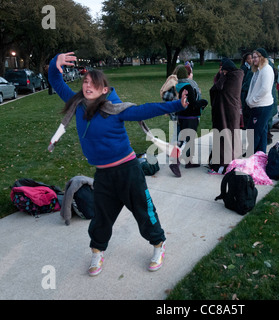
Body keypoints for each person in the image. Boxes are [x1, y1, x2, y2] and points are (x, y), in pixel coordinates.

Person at [47, 52, 189, 277]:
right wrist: (55, 63)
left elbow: (146, 109)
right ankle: (97, 251)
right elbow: (55, 81)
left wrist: (177, 105)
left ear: (104, 90)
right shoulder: (78, 105)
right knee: (101, 217)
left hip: (128, 171)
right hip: (103, 175)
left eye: (93, 83)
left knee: (144, 211)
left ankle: (159, 245)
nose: (87, 85)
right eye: (85, 82)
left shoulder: (115, 109)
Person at [169, 65, 208, 177]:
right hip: (191, 116)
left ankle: (186, 161)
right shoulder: (188, 86)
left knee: (184, 139)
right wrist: (204, 102)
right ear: (186, 74)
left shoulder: (177, 85)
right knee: (187, 141)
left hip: (182, 116)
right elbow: (193, 105)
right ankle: (177, 163)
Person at [209, 58, 244, 174]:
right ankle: (232, 160)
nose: (222, 73)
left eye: (223, 71)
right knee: (232, 136)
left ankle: (224, 163)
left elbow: (216, 88)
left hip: (226, 112)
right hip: (231, 111)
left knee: (225, 137)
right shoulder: (237, 76)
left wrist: (221, 76)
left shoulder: (230, 78)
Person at [245, 48, 275, 154]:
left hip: (262, 106)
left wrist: (253, 100)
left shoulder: (267, 69)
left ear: (262, 57)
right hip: (256, 106)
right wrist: (248, 99)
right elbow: (252, 87)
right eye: (253, 57)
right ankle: (260, 155)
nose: (253, 59)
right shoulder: (258, 70)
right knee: (262, 132)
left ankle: (252, 154)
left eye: (255, 57)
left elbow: (265, 89)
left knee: (255, 132)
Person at [240, 53, 253, 129]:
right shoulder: (244, 68)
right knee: (244, 108)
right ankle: (244, 124)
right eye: (249, 58)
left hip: (247, 90)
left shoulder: (249, 67)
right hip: (244, 90)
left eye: (251, 58)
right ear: (246, 60)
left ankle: (246, 123)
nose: (251, 60)